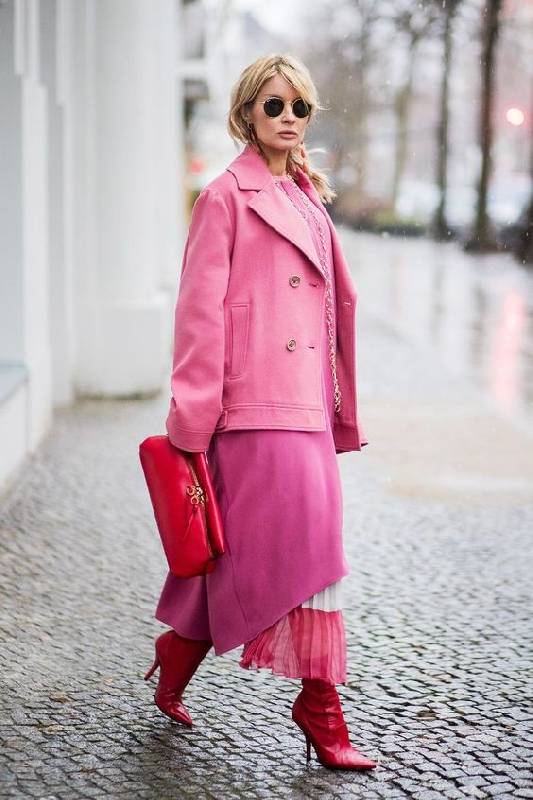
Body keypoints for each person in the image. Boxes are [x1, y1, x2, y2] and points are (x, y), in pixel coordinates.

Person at [144, 53, 377, 771]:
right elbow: (199, 314)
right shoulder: (224, 197)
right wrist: (192, 416)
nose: (285, 119)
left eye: (297, 108)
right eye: (272, 106)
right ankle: (319, 706)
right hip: (252, 407)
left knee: (232, 552)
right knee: (312, 552)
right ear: (247, 112)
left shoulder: (305, 193)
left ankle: (174, 662)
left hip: (302, 400)